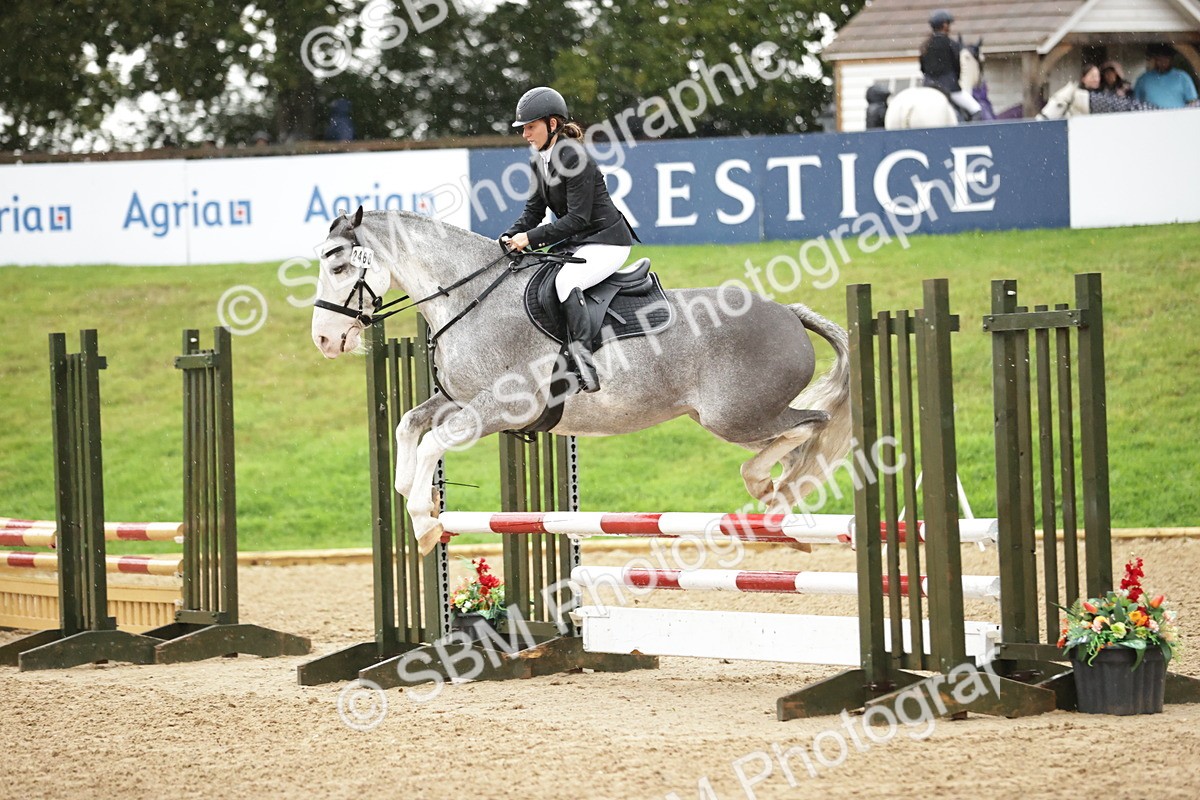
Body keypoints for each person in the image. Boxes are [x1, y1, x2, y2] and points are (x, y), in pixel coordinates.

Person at [500, 87, 636, 393]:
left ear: (552, 124)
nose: (525, 134)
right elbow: (534, 211)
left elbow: (578, 219)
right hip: (579, 242)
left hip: (607, 242)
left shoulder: (574, 157)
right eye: (522, 129)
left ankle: (583, 363)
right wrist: (511, 234)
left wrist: (530, 238)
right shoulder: (539, 161)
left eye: (530, 127)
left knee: (565, 283)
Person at [919, 9, 982, 120]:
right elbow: (956, 67)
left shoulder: (925, 46)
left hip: (928, 86)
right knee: (976, 109)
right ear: (944, 25)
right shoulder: (951, 44)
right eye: (948, 24)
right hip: (949, 87)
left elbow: (922, 68)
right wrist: (954, 80)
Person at [1134, 43, 1199, 109]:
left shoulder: (1182, 77)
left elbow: (1193, 102)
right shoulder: (1143, 79)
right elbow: (1135, 102)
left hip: (1178, 117)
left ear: (1171, 60)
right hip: (1151, 118)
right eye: (1159, 60)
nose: (1162, 63)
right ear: (1155, 60)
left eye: (1165, 59)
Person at [1037, 64, 1102, 119]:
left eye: (1097, 76)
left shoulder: (1102, 96)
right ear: (1083, 78)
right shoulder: (1073, 92)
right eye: (1092, 76)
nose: (1096, 79)